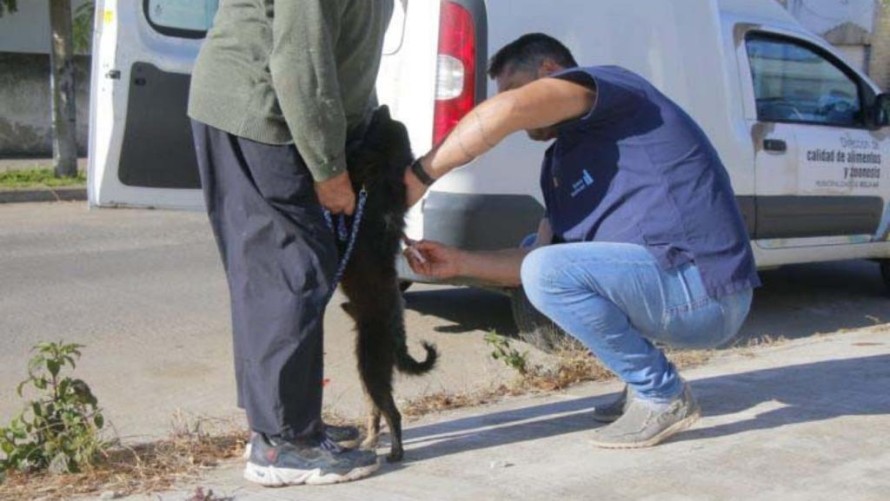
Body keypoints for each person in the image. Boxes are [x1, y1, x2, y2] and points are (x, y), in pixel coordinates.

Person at [403, 33, 760, 448]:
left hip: (706, 291)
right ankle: (639, 383)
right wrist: (459, 262)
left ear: (551, 72)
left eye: (517, 88)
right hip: (669, 291)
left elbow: (507, 111)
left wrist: (418, 176)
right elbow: (535, 259)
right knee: (546, 261)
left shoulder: (616, 91)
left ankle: (661, 394)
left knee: (549, 270)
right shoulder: (559, 162)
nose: (515, 108)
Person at [187, 0, 394, 486]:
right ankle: (283, 443)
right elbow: (300, 59)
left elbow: (349, 52)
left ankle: (288, 425)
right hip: (261, 111)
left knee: (279, 271)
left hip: (274, 111)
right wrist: (328, 168)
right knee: (291, 269)